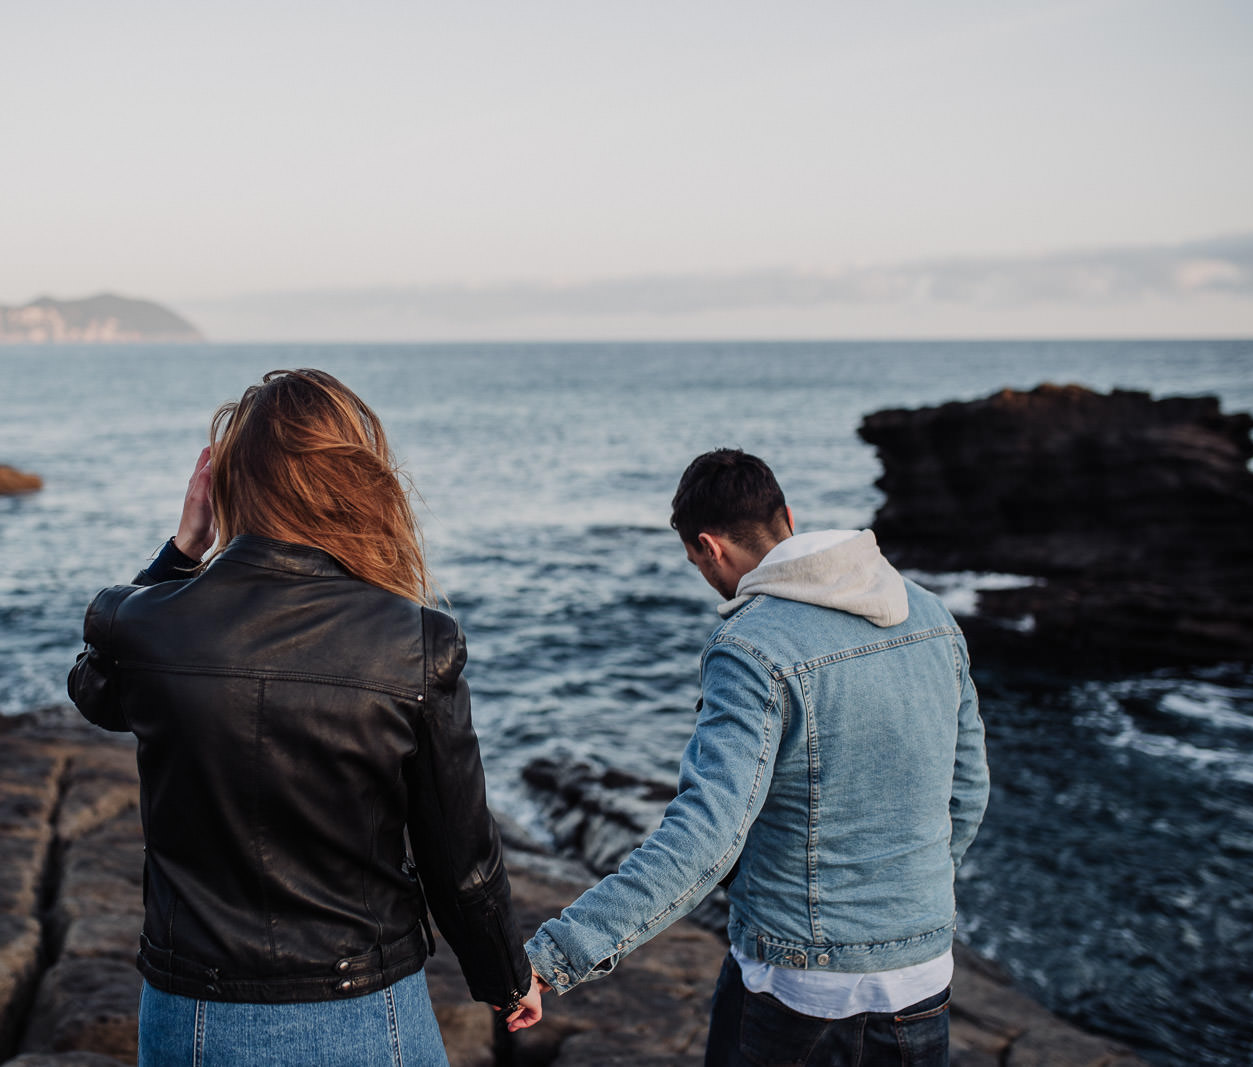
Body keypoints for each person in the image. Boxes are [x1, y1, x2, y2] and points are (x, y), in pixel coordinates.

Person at [68, 368, 539, 1066]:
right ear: (357, 480)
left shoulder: (150, 627)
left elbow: (94, 686)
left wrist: (181, 550)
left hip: (191, 1015)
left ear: (228, 481)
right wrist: (505, 976)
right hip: (361, 1008)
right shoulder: (416, 642)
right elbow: (459, 858)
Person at [514, 449, 988, 1066]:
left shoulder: (751, 647)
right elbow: (968, 790)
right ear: (786, 515)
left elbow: (706, 837)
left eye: (696, 561)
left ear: (708, 547)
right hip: (922, 971)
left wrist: (553, 959)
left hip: (796, 984)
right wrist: (903, 903)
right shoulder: (931, 615)